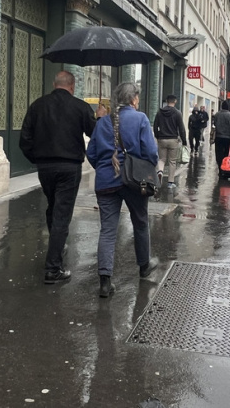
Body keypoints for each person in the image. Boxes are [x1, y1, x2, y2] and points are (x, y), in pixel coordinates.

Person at [19, 70, 102, 285]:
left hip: (45, 166)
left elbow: (25, 139)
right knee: (62, 214)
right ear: (72, 86)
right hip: (69, 166)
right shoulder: (80, 107)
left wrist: (37, 158)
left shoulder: (37, 105)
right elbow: (95, 133)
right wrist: (99, 118)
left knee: (53, 206)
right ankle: (53, 268)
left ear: (55, 84)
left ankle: (58, 244)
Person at [87, 82, 159, 298]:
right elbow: (152, 153)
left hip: (106, 182)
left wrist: (104, 169)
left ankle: (105, 281)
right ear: (134, 99)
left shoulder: (102, 122)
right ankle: (144, 265)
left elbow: (91, 153)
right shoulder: (140, 119)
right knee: (140, 222)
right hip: (134, 181)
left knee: (108, 231)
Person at [153, 94, 187, 189]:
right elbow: (181, 128)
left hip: (162, 139)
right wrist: (184, 141)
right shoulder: (177, 113)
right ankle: (170, 182)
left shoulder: (159, 112)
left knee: (161, 159)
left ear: (167, 101)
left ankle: (160, 171)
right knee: (172, 161)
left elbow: (155, 126)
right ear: (175, 101)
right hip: (173, 139)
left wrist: (157, 136)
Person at [212, 101, 230, 173]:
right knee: (226, 153)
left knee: (219, 153)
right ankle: (225, 168)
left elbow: (215, 124)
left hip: (218, 137)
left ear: (221, 107)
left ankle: (220, 167)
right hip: (227, 138)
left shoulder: (217, 114)